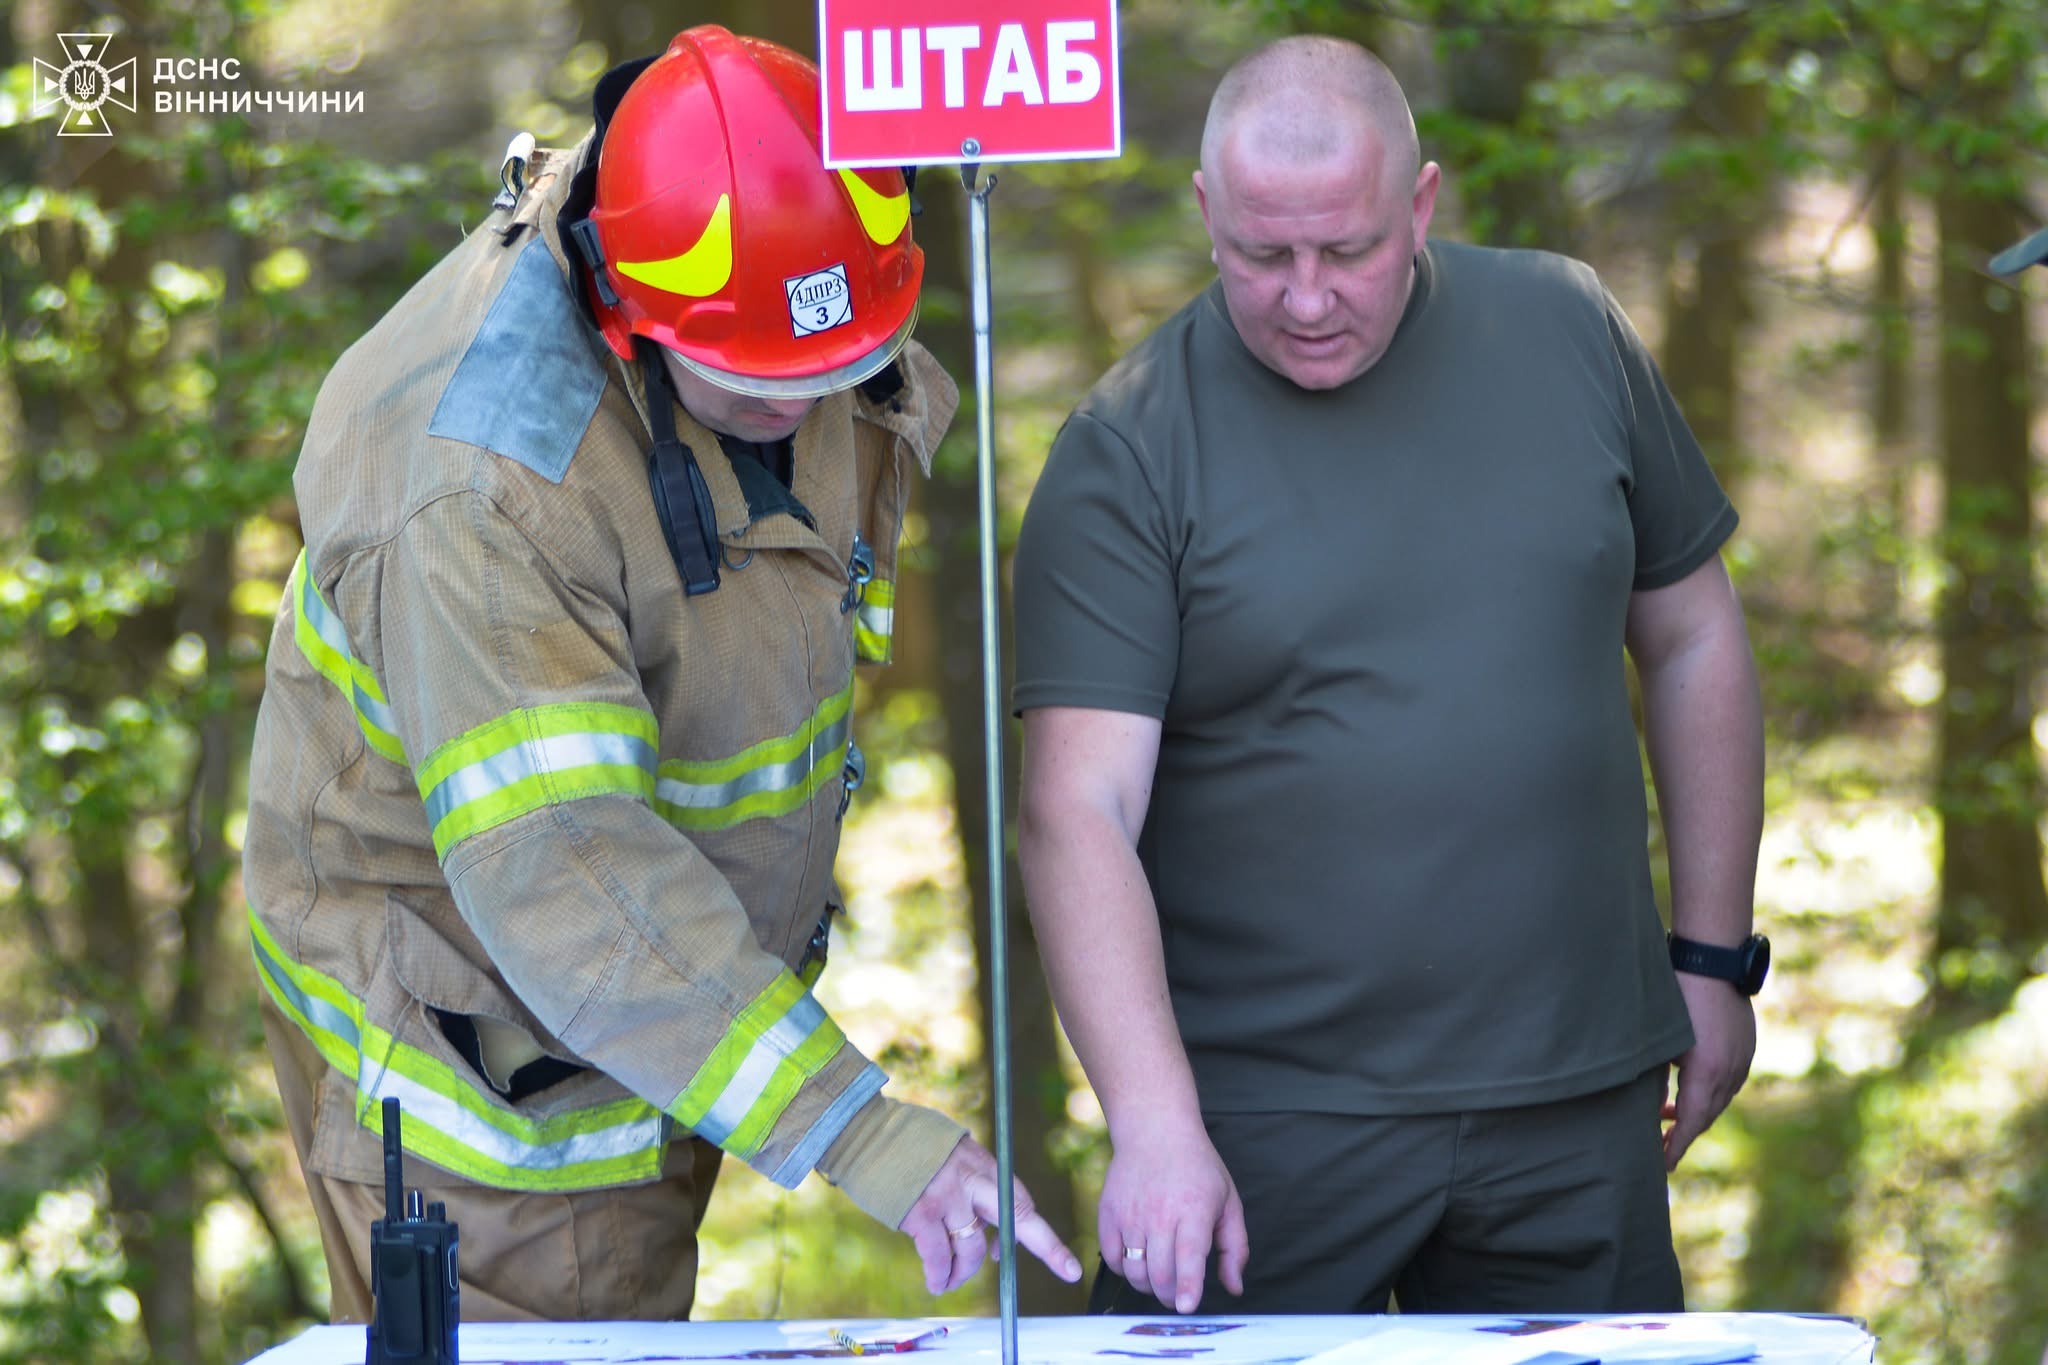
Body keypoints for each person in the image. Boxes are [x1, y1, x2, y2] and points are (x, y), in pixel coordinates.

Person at [244, 26, 1080, 1323]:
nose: (799, 413)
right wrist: (851, 1128)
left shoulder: (788, 247)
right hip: (494, 1087)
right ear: (626, 309)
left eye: (833, 373)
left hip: (666, 1010)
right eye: (752, 383)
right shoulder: (486, 493)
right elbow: (567, 864)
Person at [1012, 36, 1766, 1318]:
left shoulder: (1568, 331)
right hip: (1261, 1120)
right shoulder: (1126, 448)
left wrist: (1712, 957)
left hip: (1573, 1094)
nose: (1306, 298)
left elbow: (1692, 637)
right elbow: (1073, 812)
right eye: (1261, 255)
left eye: (1346, 250)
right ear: (1204, 218)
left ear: (1418, 204)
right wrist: (1151, 1127)